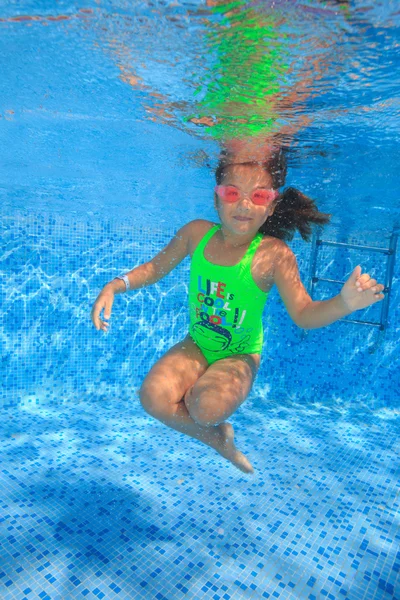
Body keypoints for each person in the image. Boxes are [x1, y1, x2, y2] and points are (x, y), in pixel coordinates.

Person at [91, 149, 385, 474]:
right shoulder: (196, 234)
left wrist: (345, 303)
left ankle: (207, 411)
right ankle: (218, 441)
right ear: (216, 199)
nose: (244, 205)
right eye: (232, 193)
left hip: (240, 354)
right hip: (198, 343)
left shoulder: (274, 255)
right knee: (152, 397)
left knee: (205, 407)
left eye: (258, 196)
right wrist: (115, 286)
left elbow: (304, 313)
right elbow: (154, 269)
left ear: (271, 206)